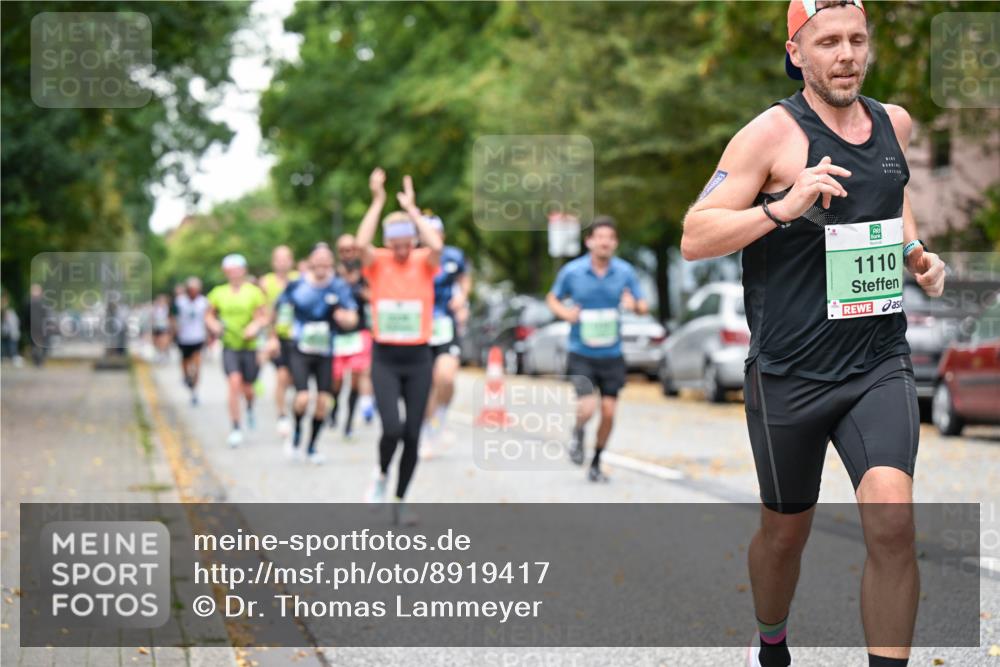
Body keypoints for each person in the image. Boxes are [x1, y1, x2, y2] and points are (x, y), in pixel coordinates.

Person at [679, 2, 946, 666]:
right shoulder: (768, 136)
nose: (847, 54)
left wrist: (914, 250)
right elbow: (694, 234)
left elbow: (893, 191)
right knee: (784, 534)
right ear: (797, 52)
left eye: (858, 39)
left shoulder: (895, 124)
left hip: (876, 360)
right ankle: (771, 640)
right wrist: (782, 206)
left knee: (892, 521)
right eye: (829, 41)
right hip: (789, 372)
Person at [355, 168, 441, 525]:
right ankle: (380, 475)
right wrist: (378, 200)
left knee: (412, 433)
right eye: (397, 242)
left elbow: (436, 245)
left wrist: (412, 210)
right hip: (386, 358)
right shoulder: (378, 263)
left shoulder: (425, 261)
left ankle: (402, 499)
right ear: (389, 242)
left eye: (408, 241)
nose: (403, 248)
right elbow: (360, 244)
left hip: (419, 357)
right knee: (391, 428)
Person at [546, 216, 648, 483]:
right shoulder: (572, 271)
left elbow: (643, 305)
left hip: (612, 354)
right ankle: (579, 431)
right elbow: (552, 298)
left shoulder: (625, 272)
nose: (604, 242)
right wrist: (566, 314)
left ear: (615, 243)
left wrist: (633, 305)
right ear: (589, 241)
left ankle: (596, 461)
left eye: (610, 238)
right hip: (581, 352)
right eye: (599, 237)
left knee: (610, 412)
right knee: (588, 407)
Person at [272, 243, 358, 463]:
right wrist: (276, 336)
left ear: (331, 263)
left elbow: (352, 317)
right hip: (300, 349)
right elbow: (280, 310)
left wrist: (345, 319)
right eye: (317, 261)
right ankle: (297, 432)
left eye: (326, 261)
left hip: (326, 351)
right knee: (302, 398)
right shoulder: (297, 285)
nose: (321, 265)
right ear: (310, 262)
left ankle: (311, 447)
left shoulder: (338, 287)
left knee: (323, 401)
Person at [205, 254, 269, 448]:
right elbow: (209, 315)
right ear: (226, 272)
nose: (234, 273)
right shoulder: (218, 292)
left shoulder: (254, 292)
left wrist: (255, 327)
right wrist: (214, 325)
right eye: (230, 270)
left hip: (249, 347)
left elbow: (263, 317)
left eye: (238, 269)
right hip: (230, 346)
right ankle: (235, 427)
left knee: (248, 389)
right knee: (234, 383)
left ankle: (249, 406)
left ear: (244, 270)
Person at [420, 215, 471, 458]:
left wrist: (462, 298)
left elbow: (464, 279)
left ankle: (440, 415)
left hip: (446, 325)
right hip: (420, 326)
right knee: (425, 383)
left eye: (436, 232)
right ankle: (427, 431)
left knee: (446, 377)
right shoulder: (414, 258)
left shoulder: (454, 255)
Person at [331, 233, 376, 438]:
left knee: (358, 377)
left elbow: (375, 296)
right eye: (343, 250)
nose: (348, 254)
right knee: (337, 381)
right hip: (337, 335)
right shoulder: (333, 275)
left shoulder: (366, 273)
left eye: (351, 249)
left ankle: (349, 421)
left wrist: (362, 291)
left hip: (360, 332)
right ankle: (333, 408)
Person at [260, 246, 299, 441]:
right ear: (273, 262)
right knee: (282, 376)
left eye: (286, 259)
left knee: (293, 379)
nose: (282, 262)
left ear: (291, 261)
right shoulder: (266, 282)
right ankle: (282, 415)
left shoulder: (299, 279)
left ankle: (289, 409)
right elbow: (264, 313)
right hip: (278, 337)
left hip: (298, 337)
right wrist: (270, 337)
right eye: (279, 259)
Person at [172, 277, 209, 405]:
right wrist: (174, 330)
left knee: (197, 364)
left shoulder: (203, 302)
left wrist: (209, 336)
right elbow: (173, 317)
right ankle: (186, 377)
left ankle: (195, 391)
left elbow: (207, 318)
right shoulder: (180, 301)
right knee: (185, 362)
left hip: (198, 337)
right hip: (184, 338)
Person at [150, 294, 172, 363]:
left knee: (163, 341)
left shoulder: (167, 308)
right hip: (156, 327)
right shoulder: (155, 308)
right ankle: (159, 353)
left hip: (164, 327)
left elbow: (169, 318)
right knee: (156, 341)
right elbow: (152, 318)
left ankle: (163, 354)